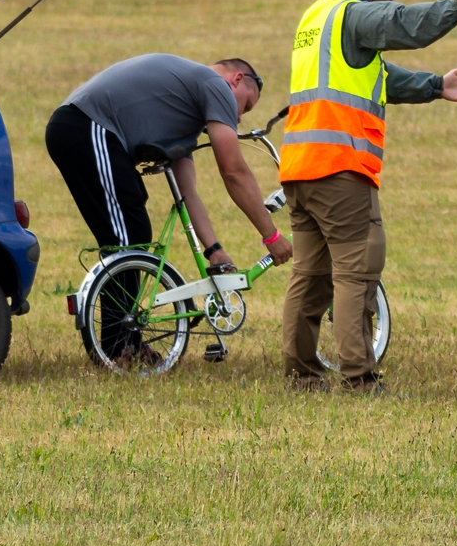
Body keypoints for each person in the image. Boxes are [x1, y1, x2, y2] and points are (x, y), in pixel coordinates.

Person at [278, 0, 457, 391]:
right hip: (340, 168)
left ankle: (301, 374)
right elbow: (405, 25)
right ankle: (359, 378)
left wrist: (435, 85)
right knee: (356, 273)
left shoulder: (316, 17)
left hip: (300, 169)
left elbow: (374, 75)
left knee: (310, 277)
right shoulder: (356, 14)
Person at [46, 55, 293, 359]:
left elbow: (187, 194)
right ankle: (118, 345)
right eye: (246, 106)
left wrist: (213, 249)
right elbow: (233, 171)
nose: (239, 118)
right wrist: (271, 237)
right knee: (127, 241)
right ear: (237, 80)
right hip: (86, 126)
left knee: (132, 230)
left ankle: (123, 342)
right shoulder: (213, 84)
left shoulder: (183, 111)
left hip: (80, 128)